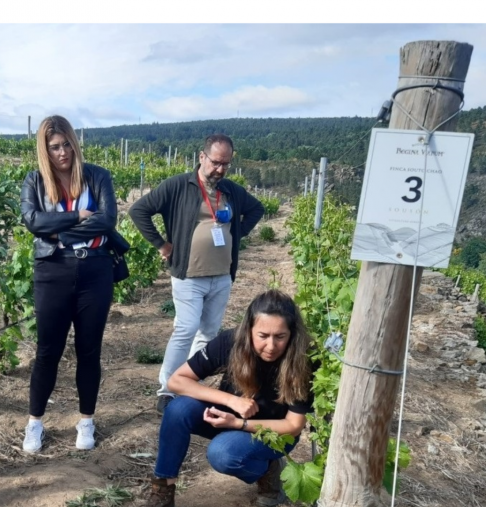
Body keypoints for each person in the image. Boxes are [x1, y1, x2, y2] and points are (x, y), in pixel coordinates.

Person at [128, 134, 264, 415]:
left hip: (222, 275)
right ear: (202, 157)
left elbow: (256, 209)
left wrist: (237, 234)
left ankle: (190, 384)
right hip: (188, 275)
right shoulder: (179, 185)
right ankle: (167, 389)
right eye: (215, 162)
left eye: (226, 164)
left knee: (208, 333)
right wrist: (162, 244)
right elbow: (139, 210)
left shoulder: (231, 191)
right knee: (186, 328)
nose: (220, 169)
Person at [141, 290, 313, 507]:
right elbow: (177, 381)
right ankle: (163, 489)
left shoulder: (303, 359)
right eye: (263, 336)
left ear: (292, 333)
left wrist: (239, 423)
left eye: (280, 337)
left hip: (274, 433)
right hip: (228, 417)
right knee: (177, 409)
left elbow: (293, 426)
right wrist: (231, 401)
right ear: (249, 330)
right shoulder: (230, 342)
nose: (271, 346)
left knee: (223, 453)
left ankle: (269, 471)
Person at [19, 115, 118, 454]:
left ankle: (86, 420)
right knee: (47, 351)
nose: (62, 153)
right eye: (54, 147)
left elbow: (108, 220)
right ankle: (35, 422)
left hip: (95, 270)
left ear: (75, 144)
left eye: (66, 145)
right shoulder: (34, 181)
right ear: (44, 151)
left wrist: (56, 229)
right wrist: (77, 217)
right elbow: (33, 221)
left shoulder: (98, 176)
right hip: (52, 270)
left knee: (89, 350)